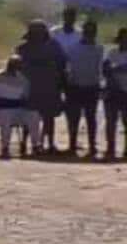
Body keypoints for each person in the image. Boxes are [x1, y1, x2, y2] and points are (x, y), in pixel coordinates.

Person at [16, 20, 68, 154]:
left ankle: (49, 144)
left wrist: (61, 84)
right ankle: (26, 143)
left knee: (49, 117)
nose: (37, 35)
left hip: (50, 86)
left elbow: (62, 65)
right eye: (35, 32)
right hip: (30, 87)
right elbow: (18, 68)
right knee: (29, 117)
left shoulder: (54, 47)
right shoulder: (22, 49)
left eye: (39, 32)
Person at [64, 18, 105, 158]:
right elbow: (67, 68)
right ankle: (72, 145)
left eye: (93, 31)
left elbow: (101, 69)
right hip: (75, 86)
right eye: (88, 31)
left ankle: (92, 145)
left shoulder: (99, 48)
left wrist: (101, 86)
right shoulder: (73, 48)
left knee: (91, 118)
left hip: (92, 86)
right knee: (74, 118)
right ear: (83, 32)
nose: (90, 33)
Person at [0, 57, 40, 159]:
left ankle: (35, 145)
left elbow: (25, 99)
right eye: (13, 64)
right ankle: (5, 148)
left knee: (33, 115)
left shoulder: (23, 80)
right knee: (6, 116)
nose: (15, 67)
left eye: (18, 64)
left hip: (17, 110)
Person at [104, 29, 127, 160]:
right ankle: (110, 147)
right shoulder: (112, 52)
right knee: (111, 121)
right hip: (112, 90)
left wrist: (116, 69)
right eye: (123, 38)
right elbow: (105, 68)